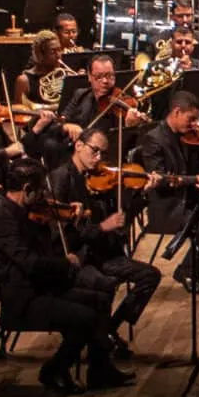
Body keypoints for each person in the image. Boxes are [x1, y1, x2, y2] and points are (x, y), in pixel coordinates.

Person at [0, 157, 133, 394]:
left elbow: (41, 250)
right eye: (40, 188)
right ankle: (55, 369)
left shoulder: (26, 211)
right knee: (85, 317)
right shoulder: (4, 217)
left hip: (41, 288)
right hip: (23, 299)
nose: (44, 194)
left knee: (100, 298)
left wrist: (60, 224)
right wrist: (64, 262)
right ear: (27, 189)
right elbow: (29, 263)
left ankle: (99, 369)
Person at [46, 129, 164, 356]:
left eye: (102, 153)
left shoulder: (98, 180)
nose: (99, 158)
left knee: (150, 275)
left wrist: (142, 195)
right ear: (78, 145)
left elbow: (122, 217)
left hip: (101, 253)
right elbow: (60, 233)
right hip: (77, 256)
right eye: (95, 151)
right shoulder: (61, 178)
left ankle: (109, 329)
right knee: (105, 284)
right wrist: (100, 227)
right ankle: (99, 344)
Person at [135, 91, 199, 292]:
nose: (195, 124)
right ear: (177, 112)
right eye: (191, 119)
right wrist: (196, 179)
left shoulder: (188, 138)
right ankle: (190, 270)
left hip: (191, 201)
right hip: (168, 208)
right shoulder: (153, 139)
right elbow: (160, 180)